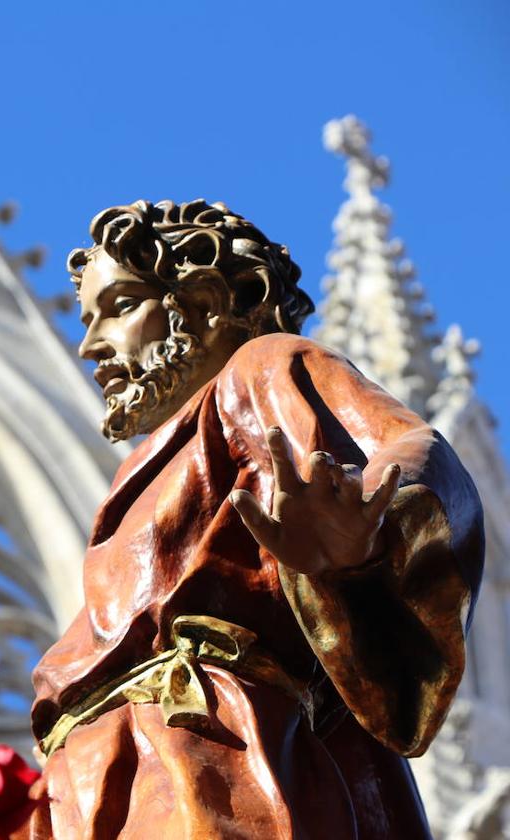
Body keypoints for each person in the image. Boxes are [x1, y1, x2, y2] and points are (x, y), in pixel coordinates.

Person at [25, 200, 483, 839]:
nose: (90, 344)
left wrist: (365, 530)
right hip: (108, 774)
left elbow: (410, 451)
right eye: (87, 319)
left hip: (209, 755)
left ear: (208, 300)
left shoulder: (258, 368)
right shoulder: (153, 463)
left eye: (122, 307)